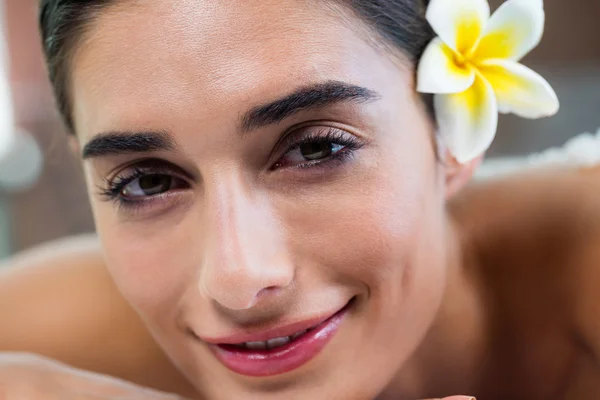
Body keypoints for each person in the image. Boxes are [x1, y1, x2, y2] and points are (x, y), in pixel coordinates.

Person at [0, 0, 599, 399]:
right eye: (147, 182)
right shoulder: (47, 340)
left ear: (452, 131)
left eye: (315, 150)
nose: (238, 278)